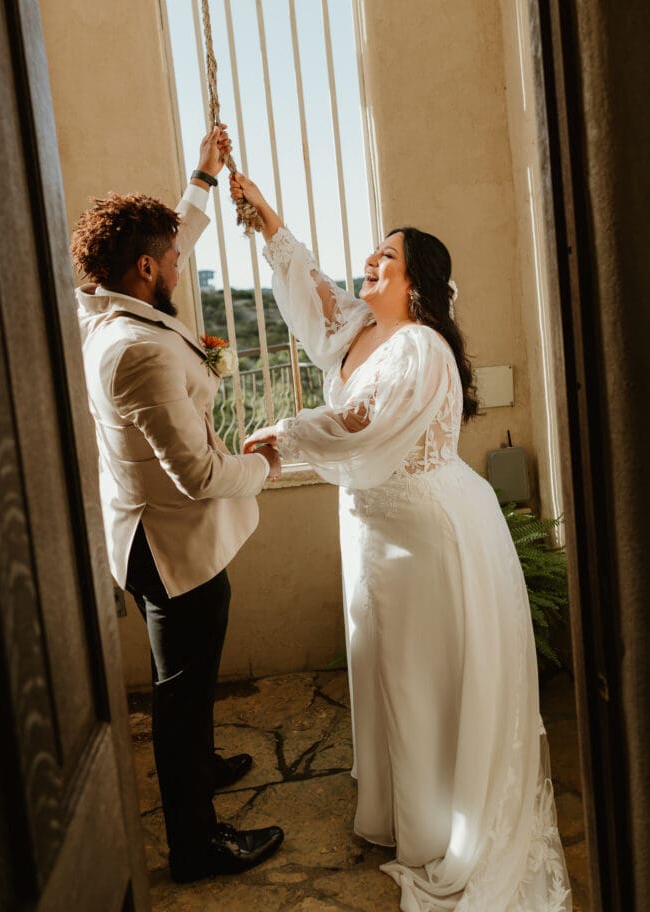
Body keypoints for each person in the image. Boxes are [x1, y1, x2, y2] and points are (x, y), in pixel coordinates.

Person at [232, 170, 572, 911]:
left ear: (417, 279)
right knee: (385, 668)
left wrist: (282, 435)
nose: (369, 265)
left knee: (424, 677)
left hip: (429, 534)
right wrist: (264, 220)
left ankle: (439, 824)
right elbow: (311, 289)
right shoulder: (359, 329)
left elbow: (367, 427)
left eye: (384, 258)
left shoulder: (419, 348)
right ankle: (397, 810)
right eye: (371, 256)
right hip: (373, 528)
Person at [71, 127, 284, 884]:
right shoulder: (139, 349)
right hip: (167, 543)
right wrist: (263, 464)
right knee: (182, 696)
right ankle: (196, 845)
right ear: (145, 269)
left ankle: (200, 768)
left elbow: (175, 237)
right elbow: (197, 474)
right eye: (168, 259)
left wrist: (201, 174)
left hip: (165, 533)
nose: (179, 263)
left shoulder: (106, 304)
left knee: (190, 679)